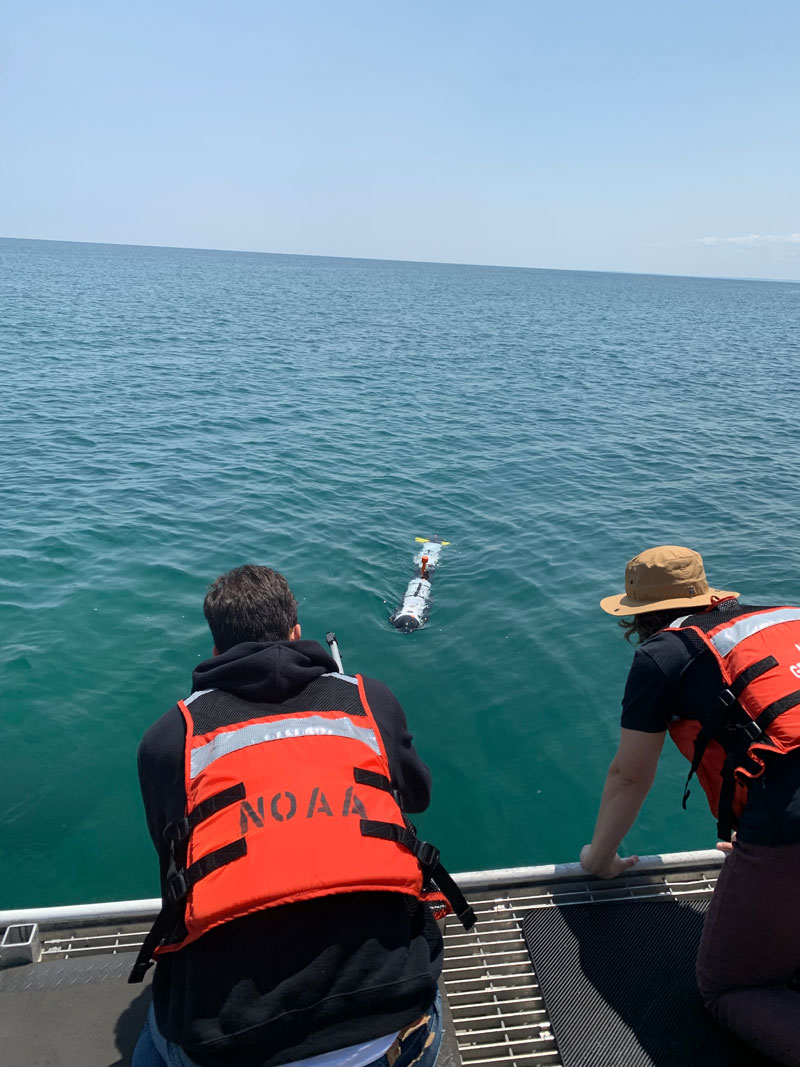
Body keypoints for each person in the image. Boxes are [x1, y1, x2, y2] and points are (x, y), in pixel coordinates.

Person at [131, 564, 471, 1067]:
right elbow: (416, 798)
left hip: (225, 1040)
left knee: (150, 1046)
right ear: (296, 632)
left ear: (215, 649)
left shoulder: (168, 740)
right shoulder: (369, 699)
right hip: (394, 1025)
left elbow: (175, 863)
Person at [581, 546, 800, 1066]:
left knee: (731, 989)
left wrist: (600, 860)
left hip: (791, 823)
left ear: (637, 614)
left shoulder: (663, 655)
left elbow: (630, 775)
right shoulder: (784, 616)